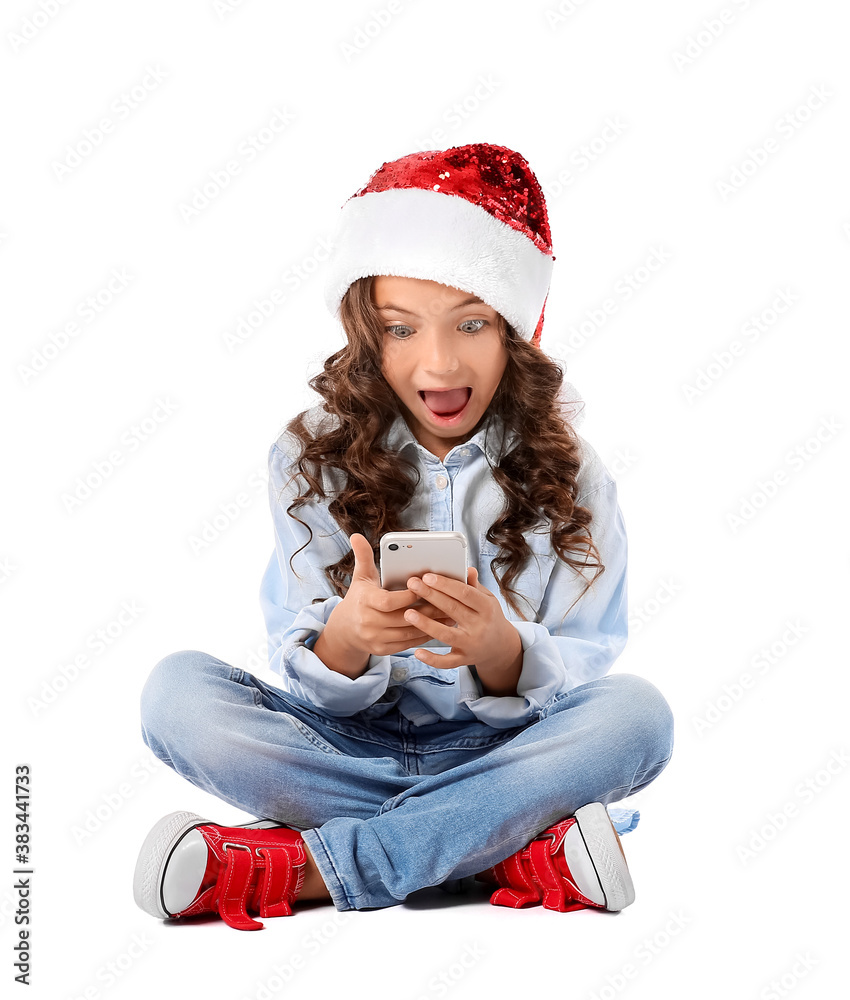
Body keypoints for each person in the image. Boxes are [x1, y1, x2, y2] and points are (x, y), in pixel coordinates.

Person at [133, 142, 674, 931]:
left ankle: (317, 865)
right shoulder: (307, 452)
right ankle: (504, 843)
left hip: (506, 753)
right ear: (364, 332)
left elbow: (590, 656)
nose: (441, 361)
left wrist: (501, 654)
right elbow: (297, 633)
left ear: (515, 333)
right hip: (342, 749)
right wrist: (347, 640)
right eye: (401, 328)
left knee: (638, 716)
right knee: (174, 693)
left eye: (473, 323)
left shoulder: (574, 470)